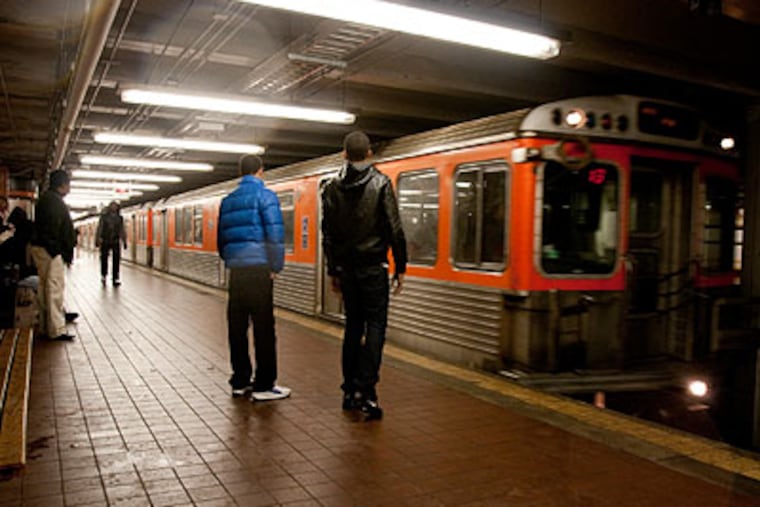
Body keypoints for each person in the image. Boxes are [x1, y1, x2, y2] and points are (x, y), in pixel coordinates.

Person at [321, 131, 407, 420]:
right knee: (376, 326)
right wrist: (401, 266)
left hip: (347, 270)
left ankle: (348, 392)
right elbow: (394, 228)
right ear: (369, 153)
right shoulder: (381, 183)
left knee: (353, 327)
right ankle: (366, 391)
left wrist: (334, 269)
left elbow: (328, 235)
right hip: (373, 269)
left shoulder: (331, 187)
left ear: (344, 154)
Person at [217, 154, 291, 401]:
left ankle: (240, 381)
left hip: (237, 273)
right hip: (259, 270)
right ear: (261, 171)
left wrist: (232, 261)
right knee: (263, 329)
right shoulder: (266, 196)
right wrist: (275, 266)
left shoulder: (228, 201)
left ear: (241, 172)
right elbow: (275, 235)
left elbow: (221, 240)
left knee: (237, 328)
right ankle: (264, 385)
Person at [30, 169, 77, 341]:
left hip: (44, 249)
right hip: (50, 251)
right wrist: (58, 250)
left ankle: (45, 325)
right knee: (54, 289)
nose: (69, 188)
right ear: (62, 185)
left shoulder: (47, 199)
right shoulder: (54, 202)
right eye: (68, 184)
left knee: (45, 289)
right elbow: (52, 230)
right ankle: (56, 329)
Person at [95, 200, 127, 286]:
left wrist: (124, 241)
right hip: (105, 240)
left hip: (115, 241)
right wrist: (97, 240)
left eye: (115, 206)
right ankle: (104, 275)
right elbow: (100, 228)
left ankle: (115, 278)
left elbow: (122, 230)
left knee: (116, 260)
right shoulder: (104, 217)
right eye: (113, 206)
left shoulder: (120, 218)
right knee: (104, 259)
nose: (114, 207)